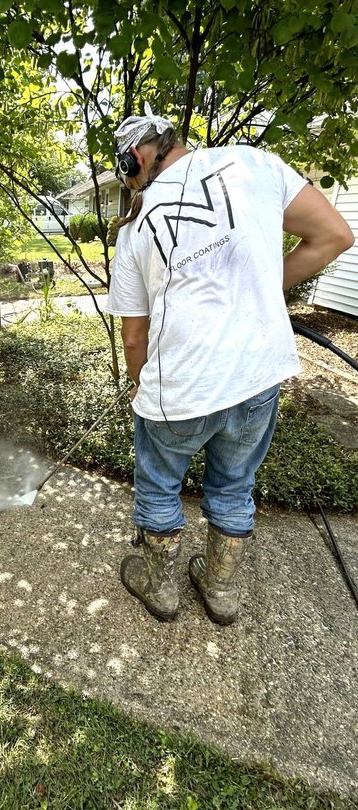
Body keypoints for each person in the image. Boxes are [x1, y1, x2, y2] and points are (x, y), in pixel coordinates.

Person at [106, 103, 355, 625]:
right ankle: (218, 590)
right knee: (234, 485)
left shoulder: (133, 230)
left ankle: (161, 588)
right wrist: (264, 286)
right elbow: (334, 236)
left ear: (136, 157)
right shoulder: (254, 165)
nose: (128, 183)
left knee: (158, 486)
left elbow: (134, 336)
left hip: (178, 388)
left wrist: (139, 383)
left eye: (125, 171)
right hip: (255, 379)